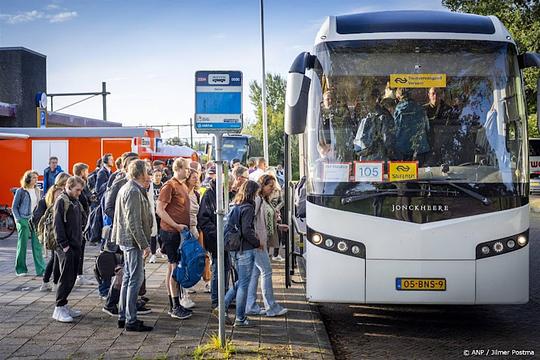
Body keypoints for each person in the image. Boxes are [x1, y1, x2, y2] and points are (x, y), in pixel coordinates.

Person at [112, 160, 153, 332]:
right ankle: (130, 319)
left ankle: (124, 316)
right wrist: (145, 245)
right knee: (134, 279)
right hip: (132, 241)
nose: (149, 173)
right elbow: (134, 222)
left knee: (129, 278)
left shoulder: (128, 187)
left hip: (127, 240)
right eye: (147, 171)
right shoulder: (133, 191)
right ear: (141, 172)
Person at [245, 174, 289, 317]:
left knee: (255, 273)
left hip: (259, 241)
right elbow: (250, 221)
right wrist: (256, 240)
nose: (272, 189)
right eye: (270, 186)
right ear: (262, 186)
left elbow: (261, 220)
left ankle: (250, 305)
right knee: (267, 271)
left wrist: (277, 226)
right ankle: (271, 307)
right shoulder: (258, 199)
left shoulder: (263, 199)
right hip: (258, 243)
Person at [156, 158, 192, 320]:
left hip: (179, 232)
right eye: (186, 168)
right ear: (178, 168)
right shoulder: (169, 185)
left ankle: (175, 304)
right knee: (173, 267)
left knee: (173, 267)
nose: (189, 171)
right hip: (171, 232)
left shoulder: (182, 185)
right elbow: (160, 209)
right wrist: (176, 225)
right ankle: (175, 305)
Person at [221, 180, 261, 327]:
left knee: (241, 281)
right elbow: (246, 230)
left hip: (235, 249)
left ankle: (222, 306)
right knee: (244, 284)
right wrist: (257, 242)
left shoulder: (236, 205)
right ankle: (240, 318)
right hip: (245, 249)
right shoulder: (248, 208)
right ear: (253, 193)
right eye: (256, 193)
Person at [52, 176, 85, 323]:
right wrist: (65, 246)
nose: (79, 192)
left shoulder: (74, 200)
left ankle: (64, 305)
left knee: (71, 277)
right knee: (65, 278)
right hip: (66, 247)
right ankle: (58, 308)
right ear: (69, 187)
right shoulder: (61, 201)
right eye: (77, 190)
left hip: (75, 244)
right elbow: (57, 225)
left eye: (81, 190)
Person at [198, 178, 231, 310]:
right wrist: (218, 233)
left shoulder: (223, 194)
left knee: (226, 267)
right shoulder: (209, 195)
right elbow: (204, 219)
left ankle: (224, 297)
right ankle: (217, 299)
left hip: (223, 236)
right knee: (218, 268)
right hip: (215, 238)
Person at [37, 172, 70, 291]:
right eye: (67, 181)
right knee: (56, 258)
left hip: (53, 230)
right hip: (54, 230)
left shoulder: (54, 190)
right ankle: (54, 283)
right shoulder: (58, 192)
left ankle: (47, 282)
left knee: (55, 257)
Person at [12, 170, 45, 277]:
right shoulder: (20, 191)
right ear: (28, 179)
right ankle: (21, 269)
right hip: (23, 220)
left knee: (37, 245)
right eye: (34, 177)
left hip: (35, 220)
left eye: (36, 177)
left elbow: (40, 206)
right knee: (22, 245)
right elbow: (14, 207)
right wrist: (18, 220)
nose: (36, 179)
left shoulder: (37, 191)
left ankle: (41, 270)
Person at [185, 169, 211, 295]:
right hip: (185, 229)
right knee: (188, 258)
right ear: (187, 178)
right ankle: (187, 283)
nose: (196, 180)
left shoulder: (196, 193)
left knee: (203, 256)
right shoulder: (182, 193)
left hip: (197, 228)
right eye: (194, 177)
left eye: (198, 177)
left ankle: (207, 280)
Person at [72, 162, 97, 286]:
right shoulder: (80, 184)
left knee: (80, 249)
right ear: (82, 171)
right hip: (79, 222)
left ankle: (78, 274)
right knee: (78, 250)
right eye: (86, 171)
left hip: (83, 220)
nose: (88, 173)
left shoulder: (83, 184)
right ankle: (77, 275)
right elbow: (83, 200)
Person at [393, 88, 430, 161]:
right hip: (420, 148)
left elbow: (395, 129)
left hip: (403, 148)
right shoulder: (420, 108)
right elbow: (427, 127)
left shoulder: (398, 110)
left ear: (398, 97)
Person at [148, 170, 164, 263]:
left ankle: (162, 250)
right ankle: (153, 254)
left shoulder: (163, 185)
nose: (158, 177)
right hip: (153, 213)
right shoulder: (150, 186)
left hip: (161, 213)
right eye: (156, 176)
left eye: (159, 175)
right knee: (153, 234)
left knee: (162, 234)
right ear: (153, 177)